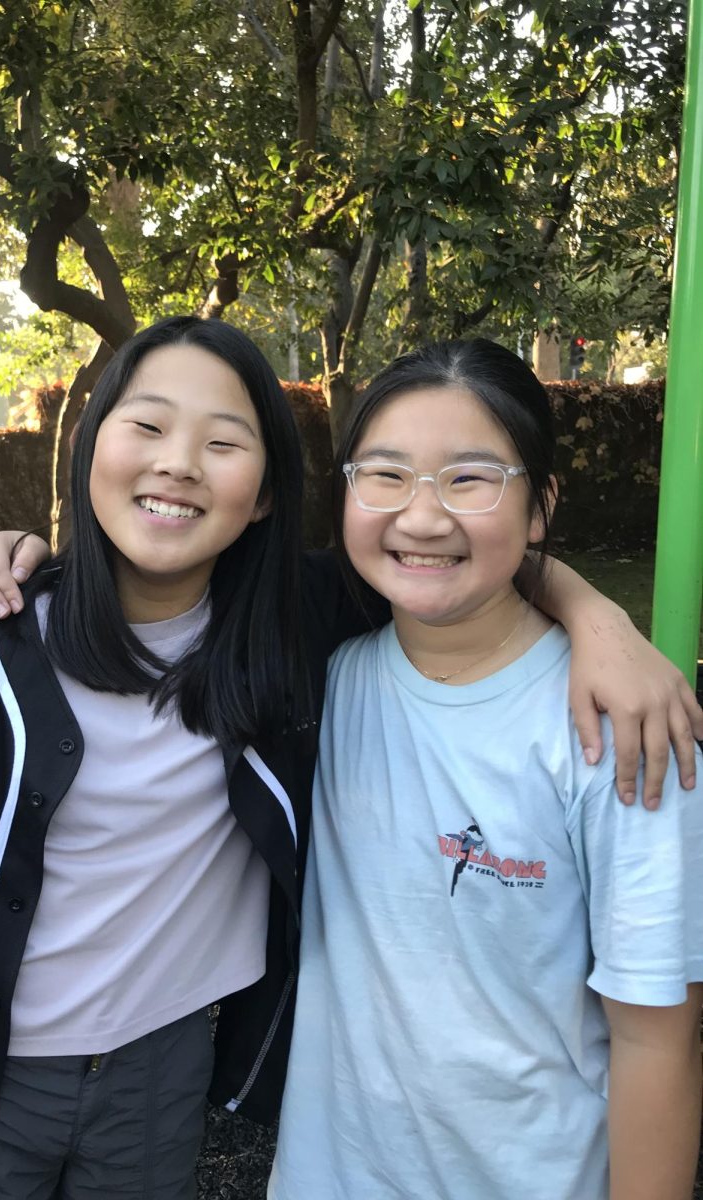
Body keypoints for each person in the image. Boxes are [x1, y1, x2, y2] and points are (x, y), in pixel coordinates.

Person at [0, 317, 697, 1200]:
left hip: (158, 1072)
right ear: (90, 444)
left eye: (224, 442)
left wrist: (600, 620)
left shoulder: (291, 635)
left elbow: (459, 569)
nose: (178, 463)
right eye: (148, 426)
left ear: (270, 490)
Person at [267, 339, 703, 1200]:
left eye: (470, 479)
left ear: (539, 506)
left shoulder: (620, 732)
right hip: (327, 1176)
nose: (422, 517)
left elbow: (658, 1038)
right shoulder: (318, 674)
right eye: (385, 475)